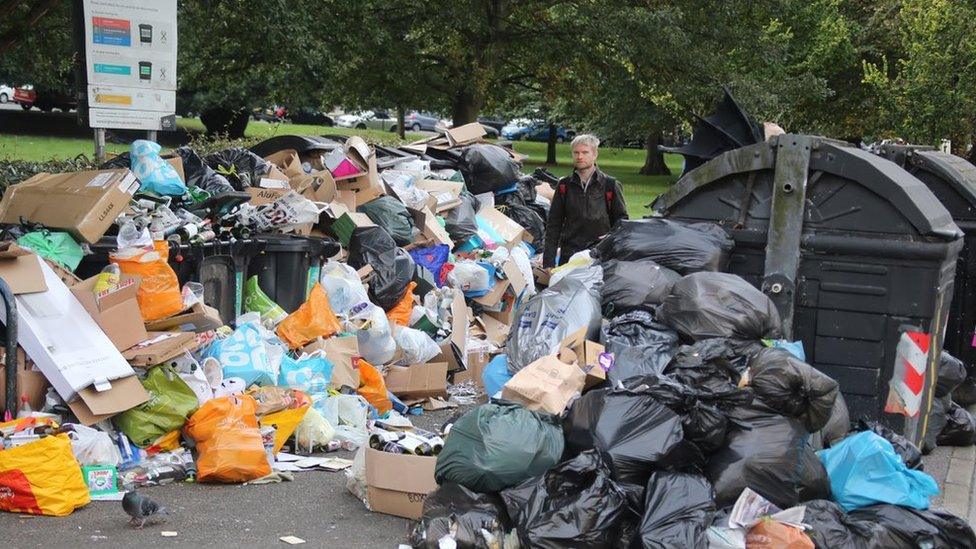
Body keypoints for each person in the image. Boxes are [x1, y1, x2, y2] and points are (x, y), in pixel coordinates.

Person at [542, 134, 628, 268]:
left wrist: (611, 244)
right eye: (576, 152)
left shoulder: (610, 185)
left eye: (585, 152)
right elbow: (553, 225)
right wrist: (548, 262)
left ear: (595, 154)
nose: (579, 156)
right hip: (569, 256)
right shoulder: (564, 185)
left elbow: (622, 222)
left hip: (600, 256)